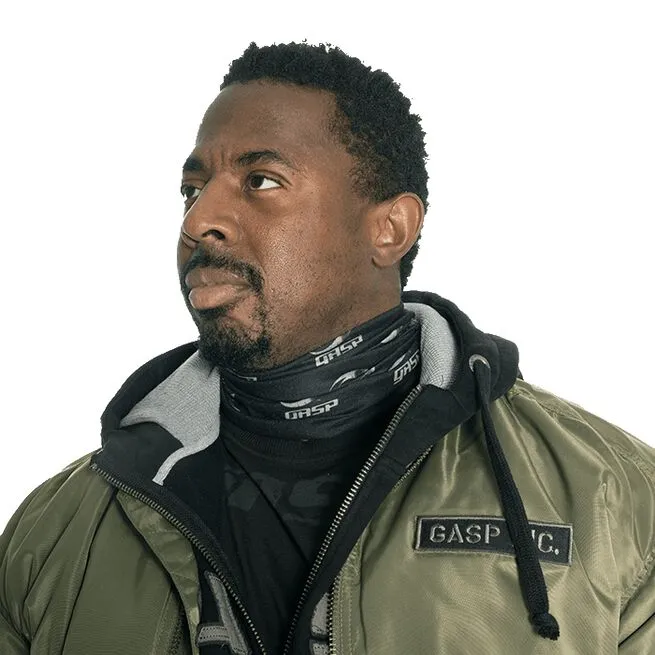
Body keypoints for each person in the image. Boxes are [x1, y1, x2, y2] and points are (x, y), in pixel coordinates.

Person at [1, 41, 653, 655]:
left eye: (261, 181)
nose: (198, 221)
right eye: (191, 190)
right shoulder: (54, 535)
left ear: (389, 229)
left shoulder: (610, 501)